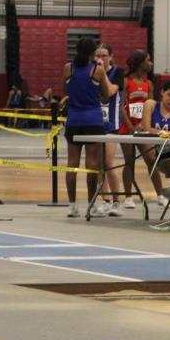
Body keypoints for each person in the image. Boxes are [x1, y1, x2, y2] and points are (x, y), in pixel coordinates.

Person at [62, 37, 113, 218]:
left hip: (73, 120)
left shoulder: (68, 68)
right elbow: (106, 95)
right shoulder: (97, 70)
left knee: (72, 164)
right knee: (92, 164)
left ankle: (72, 206)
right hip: (93, 120)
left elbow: (66, 91)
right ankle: (91, 206)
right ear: (93, 53)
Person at [118, 50, 165, 207]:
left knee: (151, 160)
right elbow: (120, 106)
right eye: (148, 60)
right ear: (140, 63)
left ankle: (161, 195)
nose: (151, 63)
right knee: (129, 161)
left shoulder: (148, 84)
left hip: (143, 128)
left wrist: (146, 125)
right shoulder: (126, 82)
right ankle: (128, 197)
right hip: (127, 128)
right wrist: (131, 127)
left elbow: (151, 107)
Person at [96, 44, 125, 216]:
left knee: (108, 162)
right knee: (99, 164)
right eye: (97, 55)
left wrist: (102, 73)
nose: (100, 58)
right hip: (95, 122)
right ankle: (105, 200)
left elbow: (110, 92)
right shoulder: (93, 72)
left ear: (111, 56)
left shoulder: (117, 72)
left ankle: (116, 201)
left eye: (104, 55)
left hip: (111, 124)